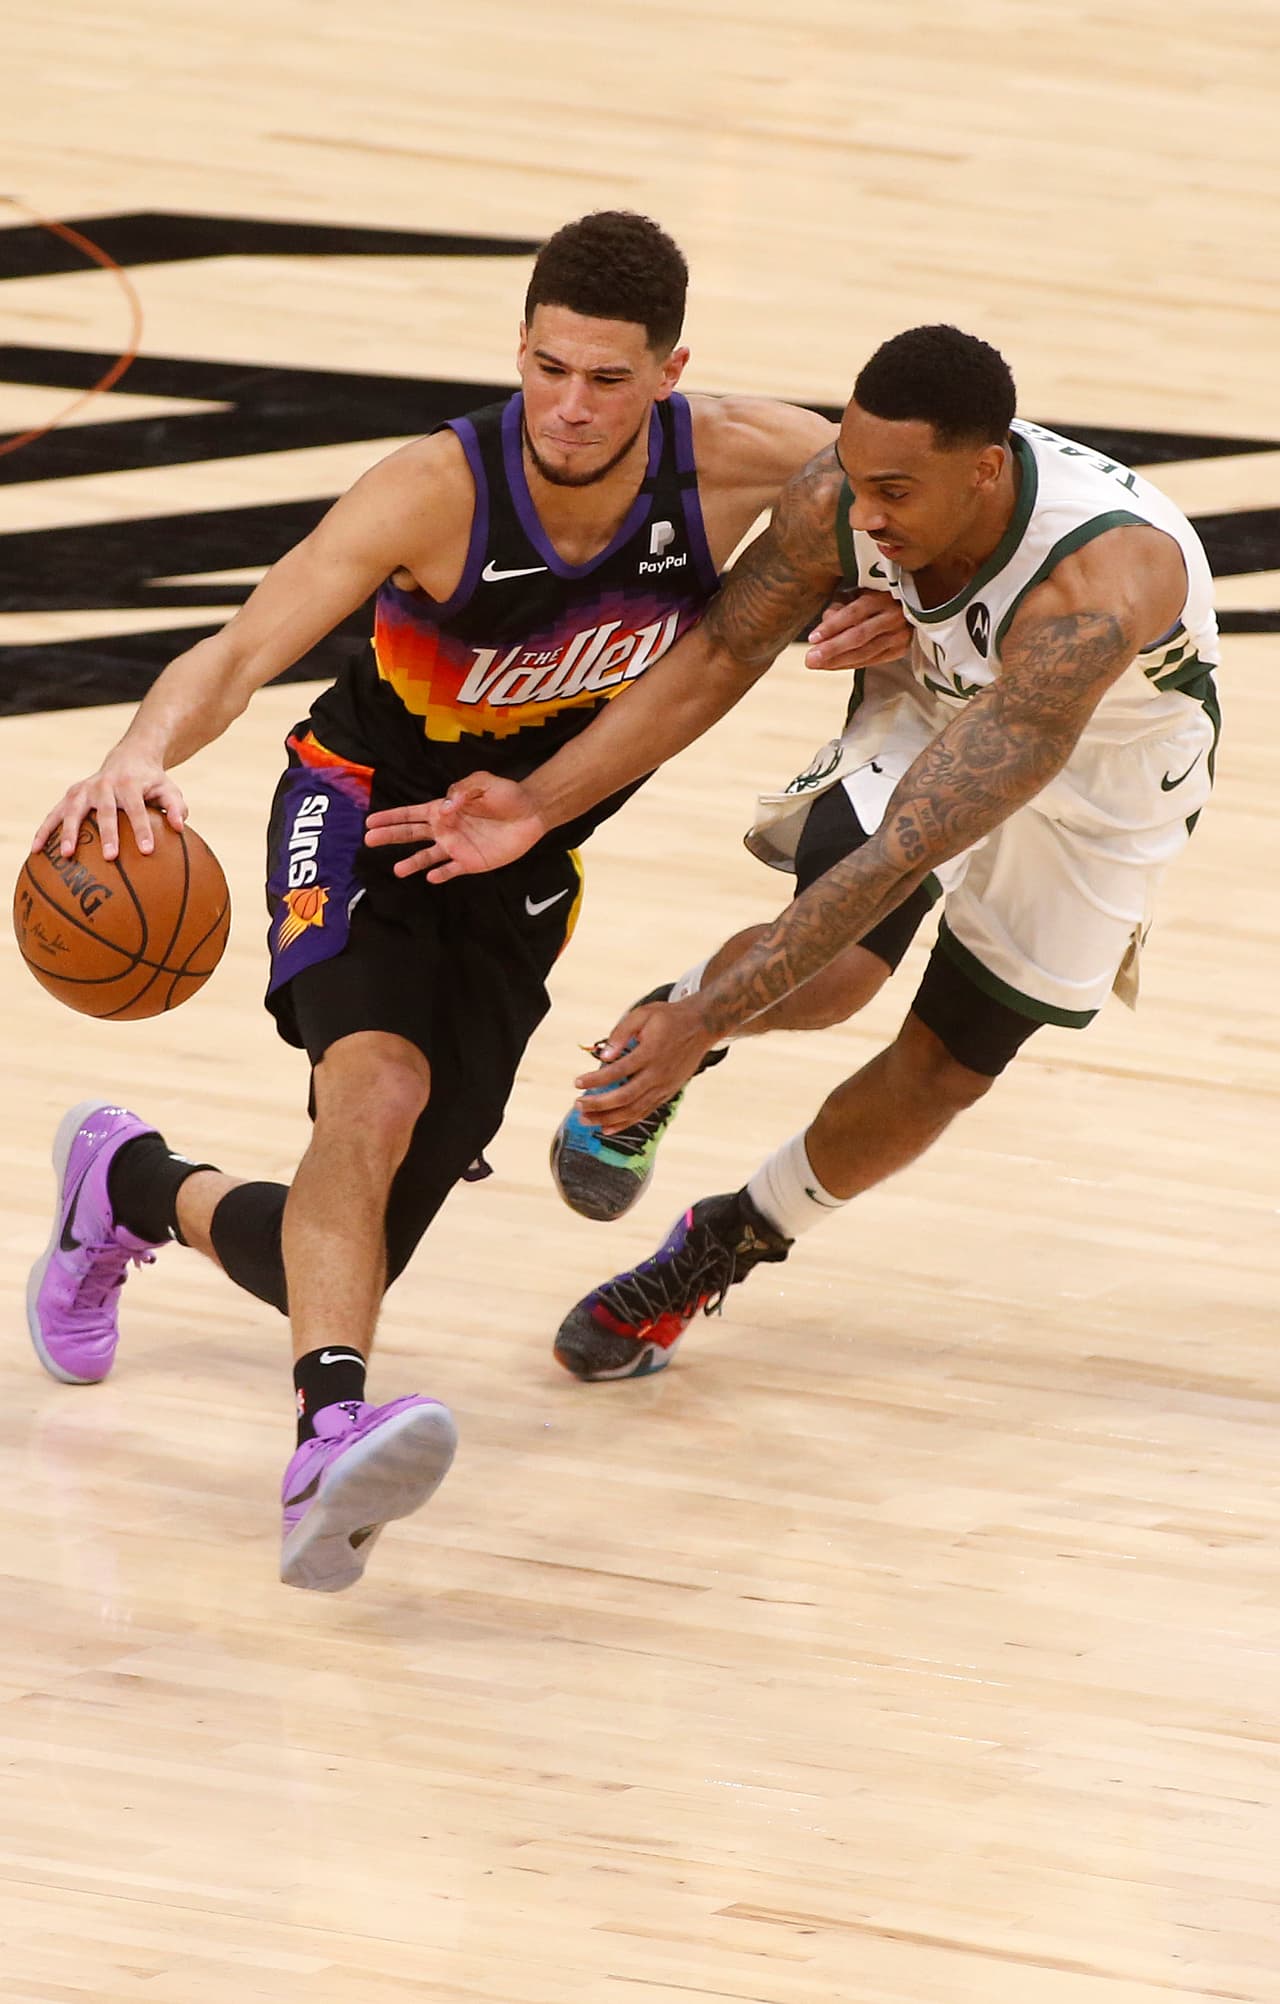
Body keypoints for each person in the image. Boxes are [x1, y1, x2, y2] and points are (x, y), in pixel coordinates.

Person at [26, 210, 908, 1589]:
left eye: (608, 379)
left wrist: (893, 601)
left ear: (672, 371)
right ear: (519, 348)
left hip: (522, 859)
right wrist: (137, 751)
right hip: (359, 812)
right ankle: (327, 1437)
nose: (569, 405)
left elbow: (918, 512)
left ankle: (132, 1183)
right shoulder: (435, 488)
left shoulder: (755, 460)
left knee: (361, 1239)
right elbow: (249, 638)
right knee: (366, 1101)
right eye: (548, 367)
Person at [387, 323, 1220, 1383]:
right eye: (856, 481)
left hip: (1106, 772)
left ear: (982, 470)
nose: (863, 513)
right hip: (934, 703)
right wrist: (538, 805)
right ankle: (682, 1014)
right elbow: (723, 648)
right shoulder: (844, 494)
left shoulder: (1090, 593)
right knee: (830, 978)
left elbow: (896, 861)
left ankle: (720, 1239)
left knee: (944, 1069)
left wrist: (705, 1021)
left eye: (894, 494)